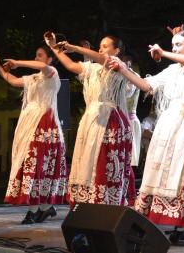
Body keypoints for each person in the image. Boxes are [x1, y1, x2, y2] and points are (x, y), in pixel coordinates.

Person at [109, 30, 184, 245]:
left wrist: (163, 52)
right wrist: (123, 69)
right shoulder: (172, 70)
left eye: (179, 44)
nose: (175, 49)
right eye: (173, 45)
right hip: (170, 124)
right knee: (165, 172)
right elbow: (147, 86)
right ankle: (179, 224)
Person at [46, 33, 134, 206]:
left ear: (116, 50)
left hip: (110, 120)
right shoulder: (93, 68)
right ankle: (85, 207)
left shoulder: (119, 66)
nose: (101, 49)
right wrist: (53, 47)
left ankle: (106, 206)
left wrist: (75, 48)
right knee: (86, 161)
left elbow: (102, 59)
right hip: (91, 118)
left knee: (103, 163)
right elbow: (70, 64)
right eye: (100, 46)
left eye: (106, 46)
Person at [0, 47, 67, 224]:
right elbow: (14, 81)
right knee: (32, 163)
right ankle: (46, 208)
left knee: (36, 164)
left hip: (44, 123)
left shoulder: (52, 73)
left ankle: (36, 210)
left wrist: (18, 62)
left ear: (49, 60)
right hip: (30, 122)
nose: (36, 58)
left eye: (40, 55)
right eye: (36, 55)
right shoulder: (33, 78)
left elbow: (41, 67)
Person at [123, 55, 142, 169]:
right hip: (121, 120)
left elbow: (127, 93)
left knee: (129, 159)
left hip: (129, 121)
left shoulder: (133, 76)